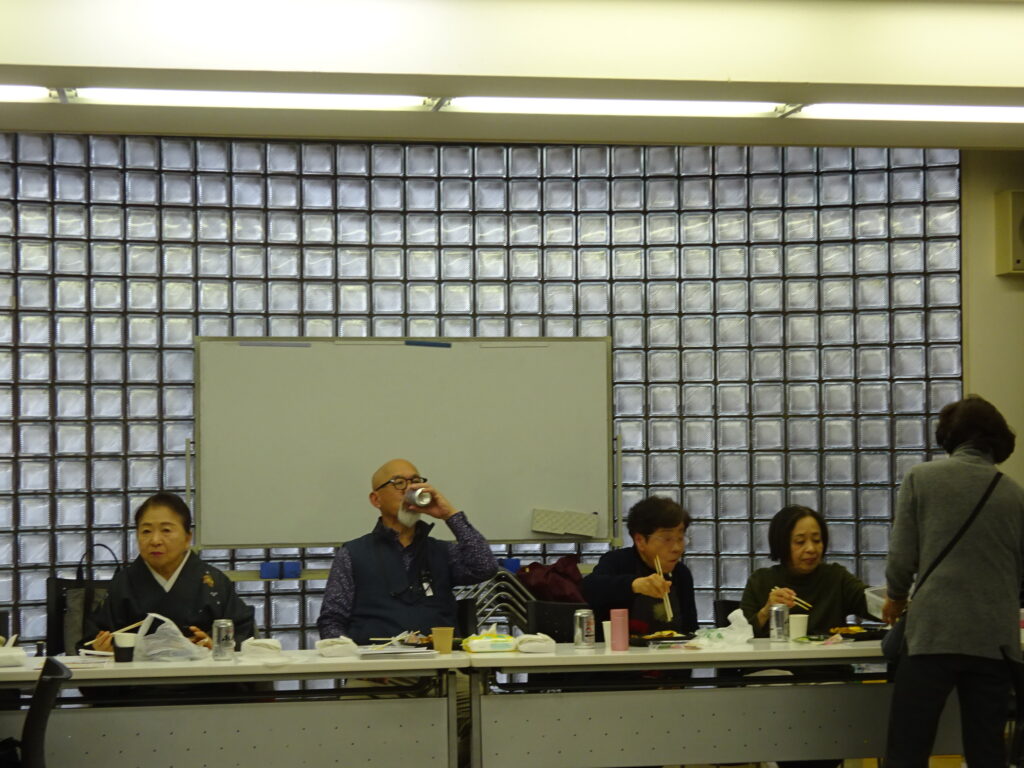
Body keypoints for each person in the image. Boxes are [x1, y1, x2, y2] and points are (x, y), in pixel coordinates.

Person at [883, 395, 1024, 768]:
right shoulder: (1015, 495)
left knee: (908, 750)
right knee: (986, 752)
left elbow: (901, 557)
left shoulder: (921, 479)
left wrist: (895, 597)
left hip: (933, 633)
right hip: (994, 640)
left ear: (949, 436)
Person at [317, 458, 498, 643]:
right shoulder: (353, 553)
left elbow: (485, 567)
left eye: (415, 481)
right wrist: (349, 656)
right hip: (374, 658)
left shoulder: (442, 551)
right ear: (376, 499)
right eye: (399, 483)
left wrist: (449, 514)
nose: (409, 489)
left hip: (438, 658)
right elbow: (331, 620)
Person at [85, 492, 255, 652]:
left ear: (187, 538)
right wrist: (102, 648)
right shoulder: (124, 583)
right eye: (146, 531)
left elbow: (242, 635)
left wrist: (215, 645)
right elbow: (93, 639)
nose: (155, 540)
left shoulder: (214, 582)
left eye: (166, 530)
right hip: (137, 674)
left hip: (202, 673)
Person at [741, 505, 871, 638]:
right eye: (800, 542)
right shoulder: (760, 581)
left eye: (817, 540)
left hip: (828, 651)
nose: (811, 549)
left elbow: (873, 605)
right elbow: (738, 634)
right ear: (781, 544)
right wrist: (766, 611)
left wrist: (885, 599)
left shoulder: (836, 577)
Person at [581, 496, 698, 638]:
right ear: (640, 540)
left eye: (680, 538)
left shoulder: (681, 573)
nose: (677, 548)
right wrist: (635, 585)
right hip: (621, 650)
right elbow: (590, 588)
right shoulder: (618, 561)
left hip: (671, 649)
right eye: (667, 539)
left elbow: (690, 630)